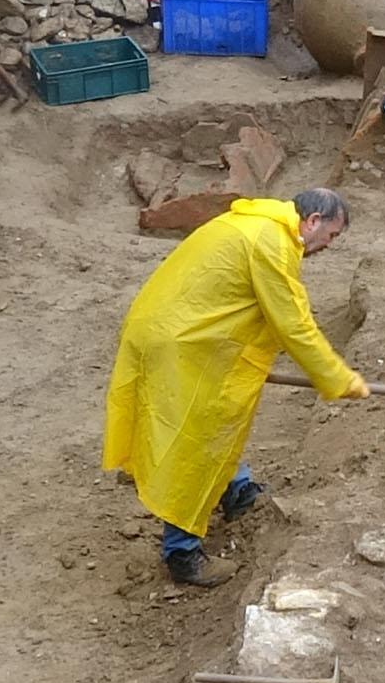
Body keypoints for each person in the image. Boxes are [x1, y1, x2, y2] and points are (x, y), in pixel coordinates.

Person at [103, 188, 368, 589]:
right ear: (312, 221)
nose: (328, 246)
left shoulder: (257, 222)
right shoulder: (272, 243)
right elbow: (293, 324)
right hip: (184, 345)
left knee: (219, 423)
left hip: (183, 333)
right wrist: (337, 377)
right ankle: (182, 554)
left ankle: (236, 490)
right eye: (331, 236)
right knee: (196, 441)